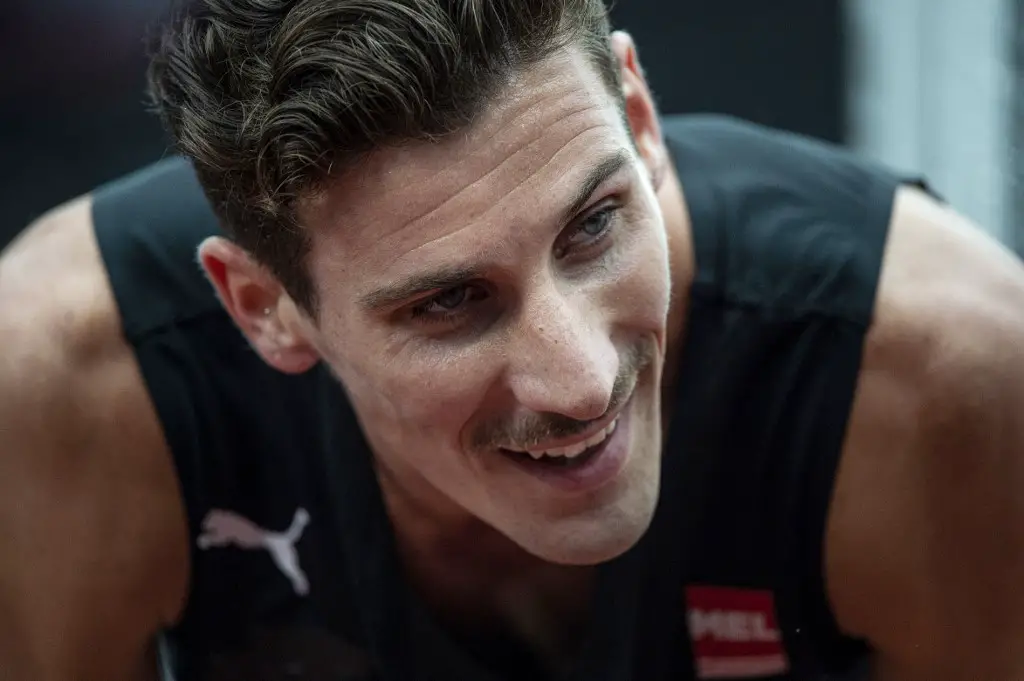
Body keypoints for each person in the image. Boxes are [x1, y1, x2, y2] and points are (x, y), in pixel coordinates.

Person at [2, 1, 1024, 679]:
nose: (580, 381)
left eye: (593, 228)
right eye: (449, 303)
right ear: (262, 305)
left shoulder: (944, 374)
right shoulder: (59, 387)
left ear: (638, 113)